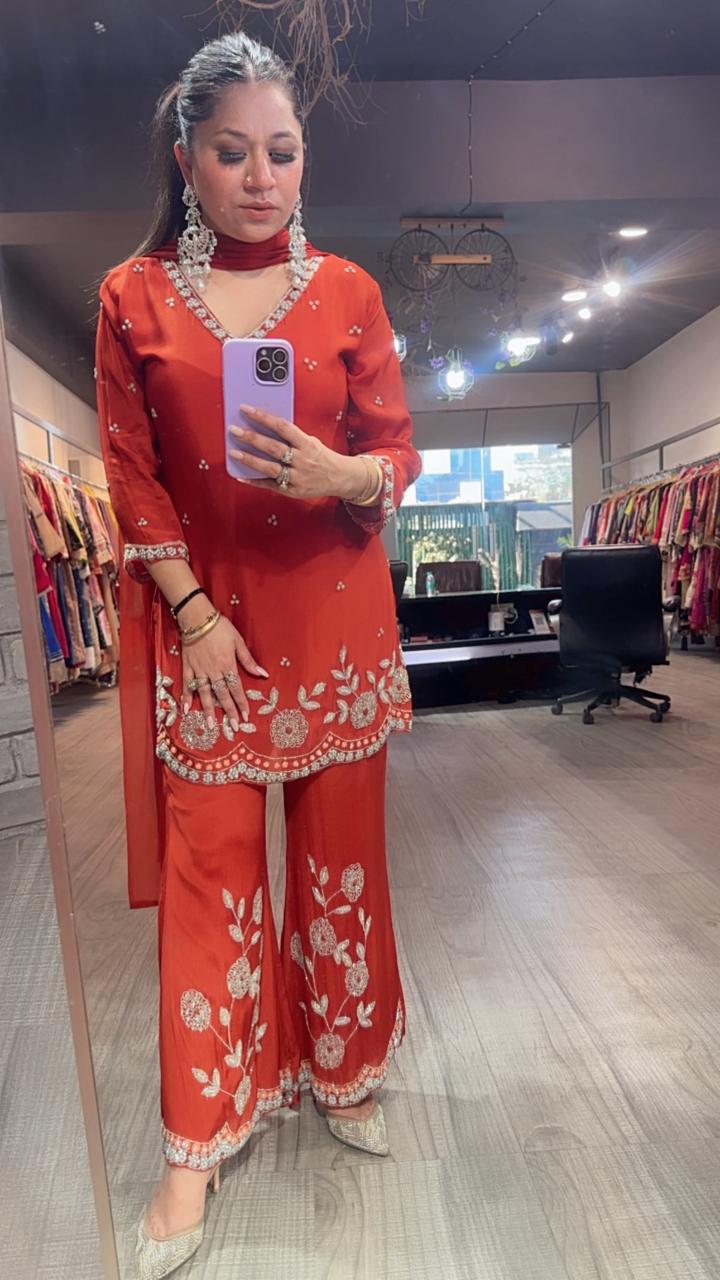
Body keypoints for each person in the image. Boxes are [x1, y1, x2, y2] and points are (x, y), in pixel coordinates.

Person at [95, 30, 421, 1278]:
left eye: (281, 151)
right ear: (187, 158)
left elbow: (397, 448)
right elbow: (132, 475)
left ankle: (342, 1066)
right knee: (211, 881)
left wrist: (350, 474)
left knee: (342, 865)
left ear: (303, 158)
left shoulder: (349, 292)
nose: (260, 176)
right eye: (232, 152)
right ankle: (198, 1135)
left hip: (335, 621)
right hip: (212, 638)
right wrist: (191, 614)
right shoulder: (132, 298)